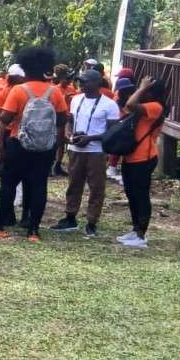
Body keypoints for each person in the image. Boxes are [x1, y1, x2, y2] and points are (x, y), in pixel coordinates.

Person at [0, 49, 67, 242]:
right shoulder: (54, 91)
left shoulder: (19, 90)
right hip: (45, 147)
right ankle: (33, 230)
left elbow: (5, 118)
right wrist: (56, 143)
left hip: (19, 144)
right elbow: (62, 119)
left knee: (8, 184)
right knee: (39, 186)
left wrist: (0, 144)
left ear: (25, 69)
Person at [50, 70, 120, 237]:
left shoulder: (109, 105)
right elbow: (71, 120)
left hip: (96, 151)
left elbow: (112, 133)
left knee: (96, 187)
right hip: (76, 149)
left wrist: (91, 138)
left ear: (97, 83)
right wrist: (69, 134)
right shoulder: (76, 99)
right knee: (74, 184)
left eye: (85, 81)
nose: (81, 85)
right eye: (80, 81)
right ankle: (70, 217)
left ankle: (92, 222)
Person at [117, 77, 166, 248]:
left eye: (146, 89)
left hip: (144, 158)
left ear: (152, 92)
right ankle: (135, 228)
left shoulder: (156, 107)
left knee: (141, 195)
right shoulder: (145, 106)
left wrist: (142, 88)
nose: (142, 91)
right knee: (131, 194)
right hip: (131, 156)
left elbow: (130, 105)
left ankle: (141, 234)